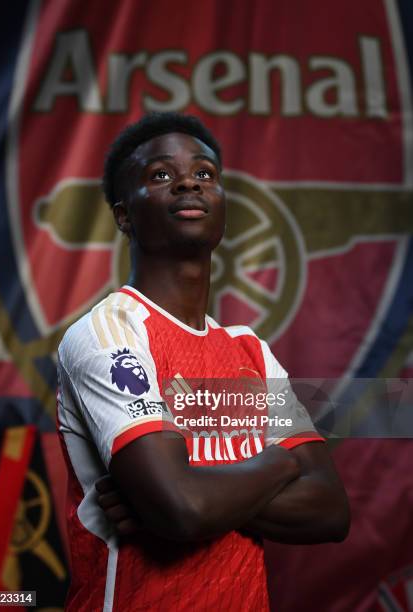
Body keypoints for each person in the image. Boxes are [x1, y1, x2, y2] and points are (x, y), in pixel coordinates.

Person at [57, 112, 350, 611]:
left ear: (223, 210)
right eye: (161, 175)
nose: (189, 181)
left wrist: (185, 490)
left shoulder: (248, 350)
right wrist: (281, 462)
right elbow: (184, 509)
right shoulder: (110, 332)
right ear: (124, 215)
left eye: (205, 173)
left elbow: (330, 511)